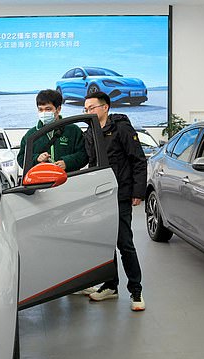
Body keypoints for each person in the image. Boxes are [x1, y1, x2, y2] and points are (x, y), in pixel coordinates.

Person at [83, 92, 147, 312]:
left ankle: (136, 291)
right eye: (85, 109)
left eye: (92, 108)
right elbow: (88, 162)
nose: (88, 112)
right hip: (99, 196)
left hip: (120, 195)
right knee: (105, 242)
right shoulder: (90, 132)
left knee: (124, 243)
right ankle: (111, 286)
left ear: (105, 108)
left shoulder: (121, 128)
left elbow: (138, 160)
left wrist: (137, 192)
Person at [16, 89, 88, 173]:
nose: (44, 113)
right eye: (40, 109)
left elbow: (84, 154)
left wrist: (67, 162)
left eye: (48, 109)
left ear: (58, 109)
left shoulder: (73, 130)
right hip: (41, 182)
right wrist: (37, 158)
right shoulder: (31, 134)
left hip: (69, 179)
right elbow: (21, 159)